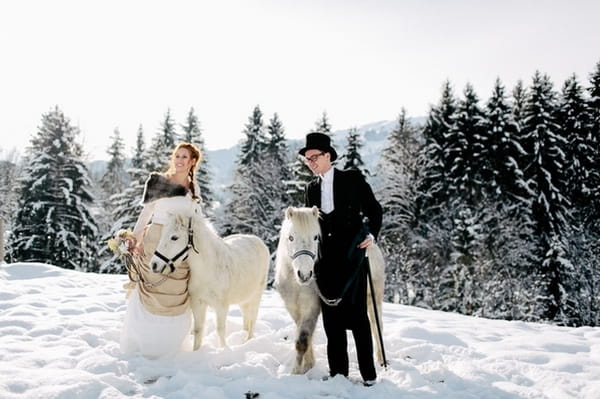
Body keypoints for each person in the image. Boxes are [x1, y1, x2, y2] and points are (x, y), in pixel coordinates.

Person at [299, 132, 383, 386]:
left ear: (328, 156)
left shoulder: (352, 179)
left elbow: (374, 209)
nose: (310, 162)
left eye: (314, 157)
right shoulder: (311, 189)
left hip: (352, 255)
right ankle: (339, 374)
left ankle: (368, 375)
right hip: (325, 261)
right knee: (332, 319)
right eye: (306, 159)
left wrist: (371, 234)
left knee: (358, 318)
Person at [120, 142, 202, 359]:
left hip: (178, 246)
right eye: (177, 156)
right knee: (152, 287)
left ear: (193, 161)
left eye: (185, 157)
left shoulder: (193, 187)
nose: (180, 160)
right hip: (156, 238)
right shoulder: (159, 181)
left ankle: (170, 344)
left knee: (176, 291)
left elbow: (196, 217)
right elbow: (146, 213)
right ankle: (145, 340)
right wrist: (135, 238)